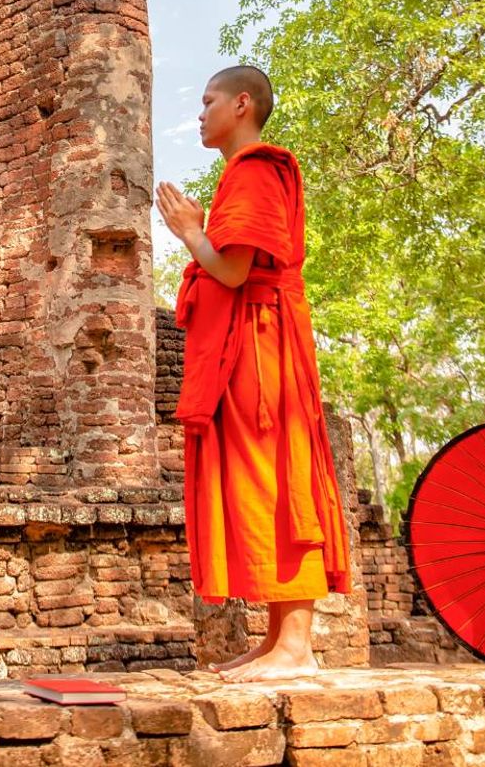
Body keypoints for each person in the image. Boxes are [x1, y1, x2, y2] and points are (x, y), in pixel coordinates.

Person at [156, 65, 351, 681]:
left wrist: (191, 233)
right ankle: (276, 643)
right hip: (250, 343)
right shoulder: (242, 174)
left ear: (242, 105)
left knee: (274, 474)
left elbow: (234, 271)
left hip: (262, 348)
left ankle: (296, 645)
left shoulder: (258, 168)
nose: (200, 111)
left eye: (208, 99)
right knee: (255, 476)